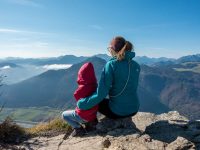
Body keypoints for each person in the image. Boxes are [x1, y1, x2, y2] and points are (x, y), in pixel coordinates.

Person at [77, 36, 140, 119]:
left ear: (112, 49)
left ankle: (91, 124)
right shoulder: (136, 65)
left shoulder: (111, 65)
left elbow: (101, 93)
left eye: (109, 48)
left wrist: (82, 104)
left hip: (118, 112)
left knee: (96, 103)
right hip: (134, 109)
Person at [62, 62, 98, 137]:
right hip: (93, 115)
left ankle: (78, 129)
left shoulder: (81, 89)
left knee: (64, 115)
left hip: (83, 116)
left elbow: (76, 96)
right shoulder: (96, 86)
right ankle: (89, 124)